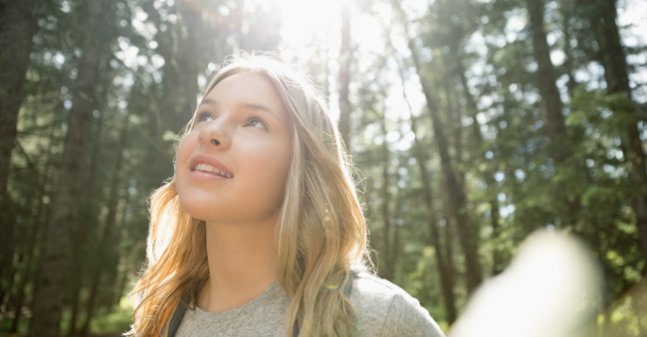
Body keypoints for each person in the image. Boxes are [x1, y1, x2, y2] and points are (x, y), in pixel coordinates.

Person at [128, 54, 446, 337]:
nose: (210, 132)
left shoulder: (377, 318)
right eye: (206, 115)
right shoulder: (156, 322)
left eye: (254, 122)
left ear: (301, 168)